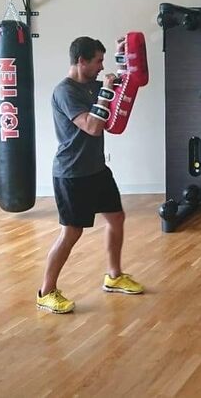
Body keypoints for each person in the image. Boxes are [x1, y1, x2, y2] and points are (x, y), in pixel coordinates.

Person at [36, 36, 144, 314]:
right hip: (72, 173)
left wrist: (124, 57)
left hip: (96, 169)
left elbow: (124, 83)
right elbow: (93, 127)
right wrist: (106, 89)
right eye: (98, 61)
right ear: (81, 61)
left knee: (116, 218)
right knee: (71, 233)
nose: (101, 67)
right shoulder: (65, 92)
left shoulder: (92, 85)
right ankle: (46, 292)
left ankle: (114, 276)